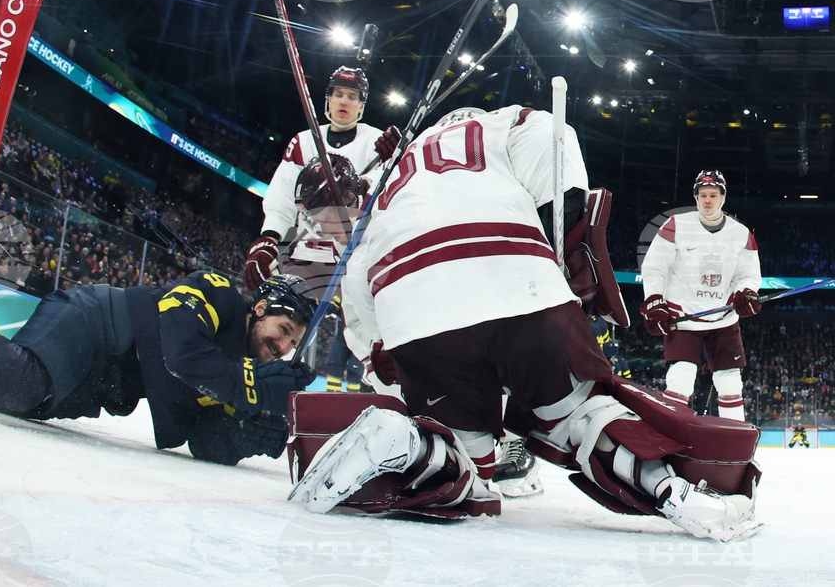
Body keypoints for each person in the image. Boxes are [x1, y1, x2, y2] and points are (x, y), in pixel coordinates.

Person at [284, 108, 761, 541]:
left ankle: (413, 444)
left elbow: (368, 327)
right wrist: (565, 221)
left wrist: (392, 372)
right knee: (581, 416)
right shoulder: (498, 122)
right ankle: (675, 495)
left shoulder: (383, 198)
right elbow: (553, 136)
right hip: (520, 280)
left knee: (469, 468)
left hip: (416, 305)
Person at [0, 267, 318, 466]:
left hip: (93, 383)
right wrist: (252, 389)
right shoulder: (218, 293)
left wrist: (246, 435)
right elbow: (178, 353)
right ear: (260, 309)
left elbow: (199, 439)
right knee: (19, 382)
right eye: (283, 330)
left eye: (293, 344)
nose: (283, 347)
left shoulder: (238, 370)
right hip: (91, 323)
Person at [243, 66, 400, 295]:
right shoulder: (303, 142)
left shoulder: (376, 142)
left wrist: (393, 162)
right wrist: (269, 240)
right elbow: (281, 201)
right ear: (329, 100)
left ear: (361, 106)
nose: (344, 101)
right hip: (304, 257)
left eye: (352, 96)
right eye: (339, 94)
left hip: (355, 258)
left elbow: (387, 196)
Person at [639, 170, 762, 422]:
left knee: (730, 383)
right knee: (680, 379)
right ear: (695, 198)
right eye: (703, 195)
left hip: (723, 318)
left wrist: (746, 293)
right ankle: (673, 433)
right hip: (682, 316)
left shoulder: (740, 233)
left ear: (723, 198)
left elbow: (747, 275)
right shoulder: (675, 225)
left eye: (713, 195)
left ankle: (734, 436)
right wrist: (654, 300)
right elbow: (654, 267)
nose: (708, 200)